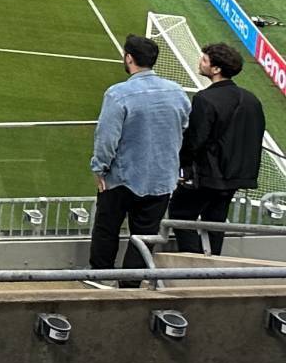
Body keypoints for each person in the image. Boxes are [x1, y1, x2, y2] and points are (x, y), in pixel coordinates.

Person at [88, 33, 192, 282]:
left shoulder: (118, 94)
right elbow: (185, 126)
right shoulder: (177, 92)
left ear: (129, 58)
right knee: (144, 234)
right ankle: (131, 284)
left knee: (107, 228)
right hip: (161, 177)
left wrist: (99, 168)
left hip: (123, 176)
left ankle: (100, 277)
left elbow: (107, 137)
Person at [173, 41, 266, 254]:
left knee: (181, 214)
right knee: (215, 222)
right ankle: (211, 265)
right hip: (236, 175)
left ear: (216, 69)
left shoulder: (205, 99)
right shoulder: (252, 100)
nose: (200, 61)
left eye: (204, 59)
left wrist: (182, 166)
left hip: (208, 175)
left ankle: (193, 267)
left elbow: (195, 141)